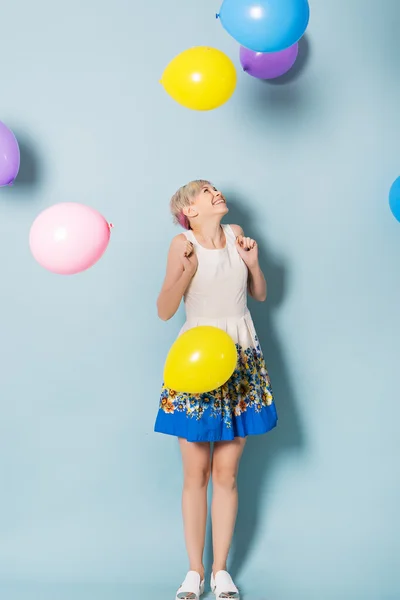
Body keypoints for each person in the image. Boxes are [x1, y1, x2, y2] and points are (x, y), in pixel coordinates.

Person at [154, 180, 278, 600]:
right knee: (197, 473)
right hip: (196, 365)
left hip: (240, 359)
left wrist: (253, 263)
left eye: (215, 188)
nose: (216, 193)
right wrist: (186, 271)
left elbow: (258, 294)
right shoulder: (181, 244)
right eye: (205, 191)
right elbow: (164, 309)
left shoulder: (236, 234)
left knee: (226, 473)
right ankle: (194, 572)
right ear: (190, 208)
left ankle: (221, 571)